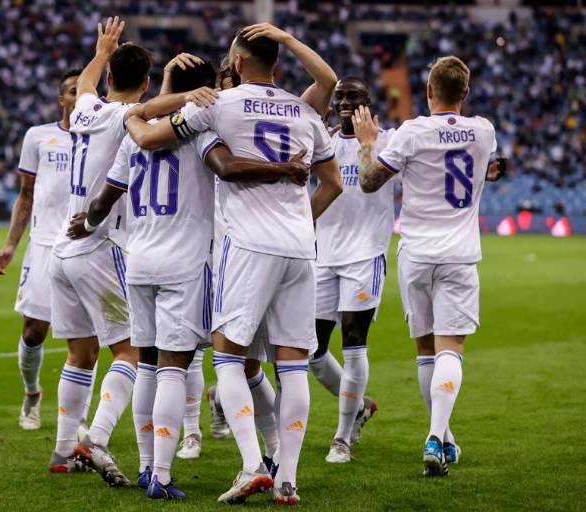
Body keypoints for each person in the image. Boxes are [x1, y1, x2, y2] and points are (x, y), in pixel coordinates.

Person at [71, 55, 309, 500]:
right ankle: (161, 475)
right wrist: (284, 168)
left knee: (145, 364)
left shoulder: (134, 134)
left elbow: (104, 200)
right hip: (185, 265)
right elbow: (226, 167)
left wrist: (85, 225)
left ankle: (145, 465)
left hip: (138, 261)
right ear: (207, 94)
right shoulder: (200, 132)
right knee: (173, 370)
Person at [123, 26, 342, 505]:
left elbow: (150, 136)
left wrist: (140, 111)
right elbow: (333, 177)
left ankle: (248, 466)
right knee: (293, 365)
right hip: (301, 248)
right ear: (277, 64)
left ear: (238, 64)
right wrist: (287, 37)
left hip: (246, 245)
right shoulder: (303, 111)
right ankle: (286, 478)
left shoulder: (219, 105)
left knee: (228, 357)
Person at [354, 55, 504, 476]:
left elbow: (368, 181)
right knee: (451, 350)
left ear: (429, 92)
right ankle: (439, 437)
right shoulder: (484, 130)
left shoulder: (411, 132)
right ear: (466, 93)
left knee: (426, 352)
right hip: (459, 255)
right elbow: (481, 165)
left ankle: (443, 437)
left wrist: (367, 142)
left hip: (417, 254)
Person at [46, 17, 145, 486]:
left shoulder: (85, 108)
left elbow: (85, 82)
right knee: (131, 350)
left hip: (61, 252)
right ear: (144, 84)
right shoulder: (131, 118)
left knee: (80, 353)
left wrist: (102, 51)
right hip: (98, 244)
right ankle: (96, 437)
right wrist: (185, 94)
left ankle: (63, 451)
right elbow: (151, 110)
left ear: (109, 79)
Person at [0, 69, 98, 434]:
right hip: (44, 245)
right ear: (62, 99)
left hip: (86, 246)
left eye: (82, 91)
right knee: (34, 331)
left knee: (87, 337)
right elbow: (26, 194)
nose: (77, 97)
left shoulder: (98, 135)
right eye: (71, 91)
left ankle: (79, 415)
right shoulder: (39, 136)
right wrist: (9, 245)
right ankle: (32, 392)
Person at [315, 76, 391, 463]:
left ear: (368, 102)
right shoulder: (321, 140)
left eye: (354, 97)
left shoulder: (388, 141)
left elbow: (376, 182)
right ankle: (358, 406)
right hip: (321, 254)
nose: (345, 102)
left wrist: (367, 143)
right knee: (311, 350)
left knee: (353, 340)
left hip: (365, 254)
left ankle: (342, 436)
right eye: (340, 95)